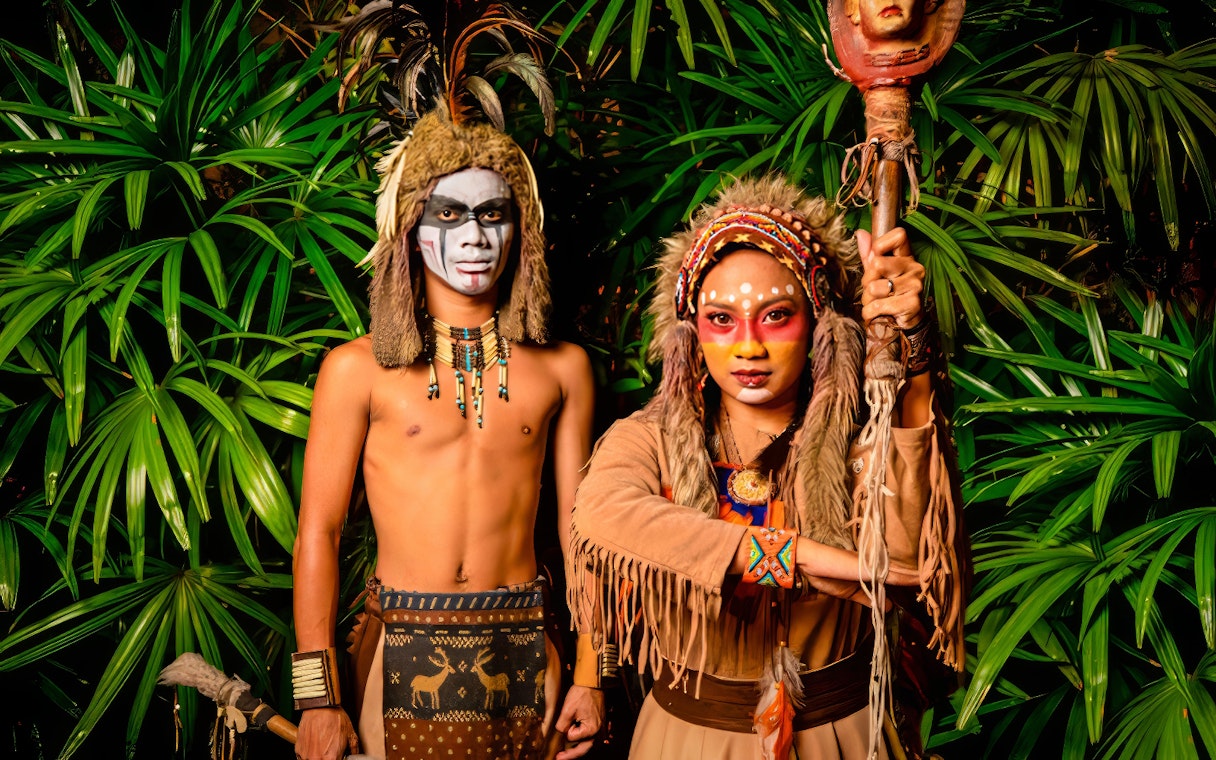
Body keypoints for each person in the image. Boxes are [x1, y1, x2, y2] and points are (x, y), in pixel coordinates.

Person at [567, 175, 967, 759]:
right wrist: (794, 557)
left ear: (820, 326)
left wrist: (912, 359)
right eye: (721, 319)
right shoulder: (646, 438)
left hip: (842, 736)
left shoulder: (862, 434)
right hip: (689, 739)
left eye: (776, 316)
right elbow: (603, 516)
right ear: (691, 336)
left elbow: (905, 570)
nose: (748, 346)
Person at [289, 72, 603, 760]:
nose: (475, 237)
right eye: (448, 215)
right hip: (398, 640)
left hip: (523, 639)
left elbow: (584, 539)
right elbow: (320, 528)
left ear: (521, 227)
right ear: (410, 227)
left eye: (493, 214)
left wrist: (589, 674)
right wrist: (318, 694)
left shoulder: (562, 370)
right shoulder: (355, 370)